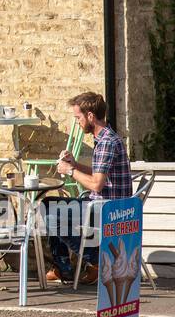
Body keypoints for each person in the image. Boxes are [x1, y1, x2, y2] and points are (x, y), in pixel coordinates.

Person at [44, 91, 132, 284]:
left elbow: (97, 184)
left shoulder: (107, 142)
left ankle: (97, 261)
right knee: (47, 205)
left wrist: (69, 171)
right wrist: (74, 164)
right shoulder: (104, 138)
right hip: (103, 204)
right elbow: (98, 172)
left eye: (78, 117)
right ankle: (63, 267)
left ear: (90, 115)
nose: (77, 122)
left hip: (109, 209)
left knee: (50, 214)